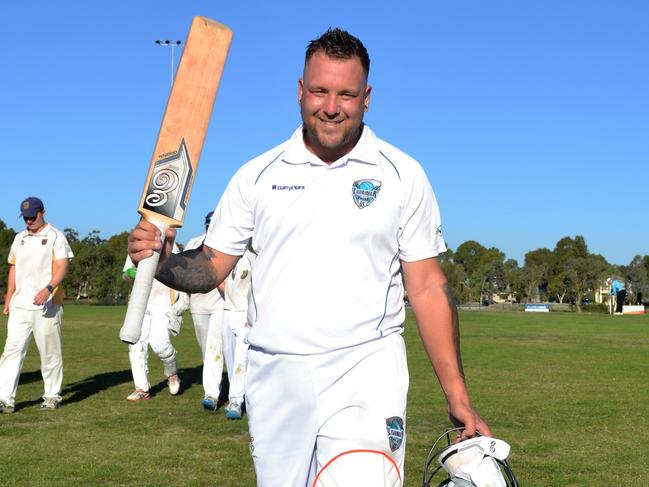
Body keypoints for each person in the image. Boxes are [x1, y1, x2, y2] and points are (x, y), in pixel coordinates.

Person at [128, 28, 490, 486]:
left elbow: (427, 286)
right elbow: (212, 265)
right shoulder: (257, 175)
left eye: (347, 94)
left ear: (367, 98)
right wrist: (162, 261)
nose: (331, 106)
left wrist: (457, 393)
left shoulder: (402, 174)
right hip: (275, 373)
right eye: (319, 90)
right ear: (300, 91)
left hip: (366, 371)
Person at [0, 197, 74, 413]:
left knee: (49, 353)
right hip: (20, 305)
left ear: (43, 212)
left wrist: (48, 289)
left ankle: (52, 396)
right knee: (11, 352)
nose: (29, 221)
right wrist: (8, 298)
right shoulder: (19, 237)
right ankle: (5, 400)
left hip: (47, 305)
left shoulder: (55, 237)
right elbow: (14, 268)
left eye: (33, 216)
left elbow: (62, 267)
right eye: (25, 217)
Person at [122, 250, 187, 401]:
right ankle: (142, 389)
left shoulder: (171, 247)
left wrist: (181, 303)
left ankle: (172, 374)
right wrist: (130, 274)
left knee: (160, 344)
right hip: (140, 301)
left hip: (164, 302)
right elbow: (125, 275)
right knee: (136, 343)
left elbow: (181, 275)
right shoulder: (137, 245)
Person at [184, 211, 226, 411]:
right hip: (197, 305)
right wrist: (180, 303)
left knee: (213, 347)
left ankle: (211, 394)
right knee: (205, 349)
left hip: (220, 304)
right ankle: (213, 383)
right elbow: (183, 273)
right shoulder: (193, 243)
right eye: (208, 225)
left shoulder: (227, 245)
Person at [221, 243, 255, 420]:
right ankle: (234, 398)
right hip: (227, 311)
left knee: (241, 359)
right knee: (230, 358)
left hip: (244, 313)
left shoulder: (253, 256)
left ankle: (237, 400)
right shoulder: (230, 254)